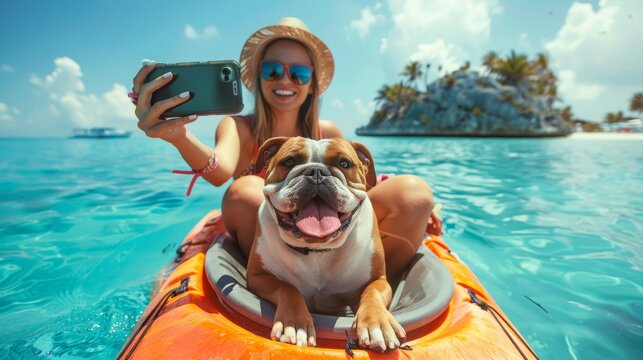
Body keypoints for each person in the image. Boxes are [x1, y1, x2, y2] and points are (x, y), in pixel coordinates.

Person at [131, 17, 441, 278]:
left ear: (312, 84)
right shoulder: (238, 127)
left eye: (299, 73)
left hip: (338, 248)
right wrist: (178, 136)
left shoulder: (328, 132)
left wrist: (419, 210)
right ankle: (276, 286)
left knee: (414, 194)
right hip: (267, 250)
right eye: (272, 70)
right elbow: (218, 171)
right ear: (259, 77)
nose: (286, 80)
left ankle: (369, 287)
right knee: (248, 192)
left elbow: (359, 188)